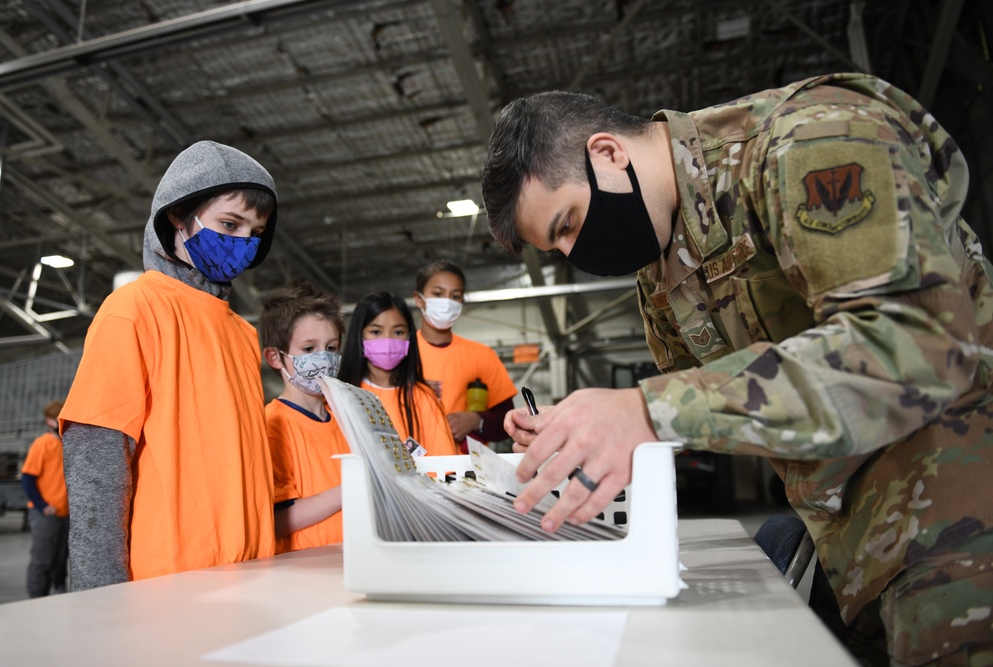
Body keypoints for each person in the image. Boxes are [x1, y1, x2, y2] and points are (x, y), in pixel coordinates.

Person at [481, 74, 993, 665]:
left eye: (566, 224)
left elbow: (918, 344)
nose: (575, 254)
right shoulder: (661, 268)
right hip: (855, 538)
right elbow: (705, 409)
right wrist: (586, 432)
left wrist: (648, 410)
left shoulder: (807, 138)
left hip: (959, 509)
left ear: (607, 153)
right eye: (557, 249)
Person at [59, 140, 279, 590]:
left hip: (250, 575)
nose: (241, 242)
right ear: (178, 217)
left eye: (254, 233)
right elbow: (96, 458)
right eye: (229, 224)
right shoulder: (133, 309)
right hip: (168, 581)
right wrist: (99, 595)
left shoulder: (242, 332)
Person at [259, 281, 349, 553]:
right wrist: (355, 485)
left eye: (331, 348)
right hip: (303, 573)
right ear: (275, 357)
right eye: (309, 349)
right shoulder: (272, 425)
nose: (323, 358)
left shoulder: (347, 419)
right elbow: (276, 521)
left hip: (356, 559)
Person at [338, 291, 457, 457]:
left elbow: (445, 464)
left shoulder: (424, 397)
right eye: (375, 332)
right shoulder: (342, 396)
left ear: (409, 337)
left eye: (398, 332)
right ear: (359, 336)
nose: (387, 340)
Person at [414, 260, 517, 449]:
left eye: (455, 296)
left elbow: (507, 420)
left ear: (462, 301)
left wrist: (476, 420)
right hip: (411, 465)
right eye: (438, 294)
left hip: (467, 470)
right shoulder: (401, 354)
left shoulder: (482, 355)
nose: (447, 302)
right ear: (419, 299)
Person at [20, 400, 68, 597]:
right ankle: (36, 598)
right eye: (59, 419)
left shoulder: (67, 444)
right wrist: (43, 506)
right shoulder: (43, 444)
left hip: (66, 514)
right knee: (43, 559)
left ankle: (59, 592)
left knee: (60, 559)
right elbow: (27, 478)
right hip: (46, 514)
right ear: (50, 421)